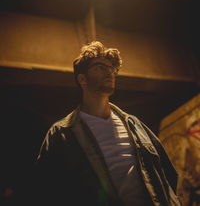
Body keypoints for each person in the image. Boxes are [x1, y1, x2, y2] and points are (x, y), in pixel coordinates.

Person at [32, 41, 181, 206]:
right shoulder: (61, 133)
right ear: (82, 79)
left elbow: (168, 174)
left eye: (111, 68)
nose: (109, 72)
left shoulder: (133, 124)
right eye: (100, 67)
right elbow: (44, 191)